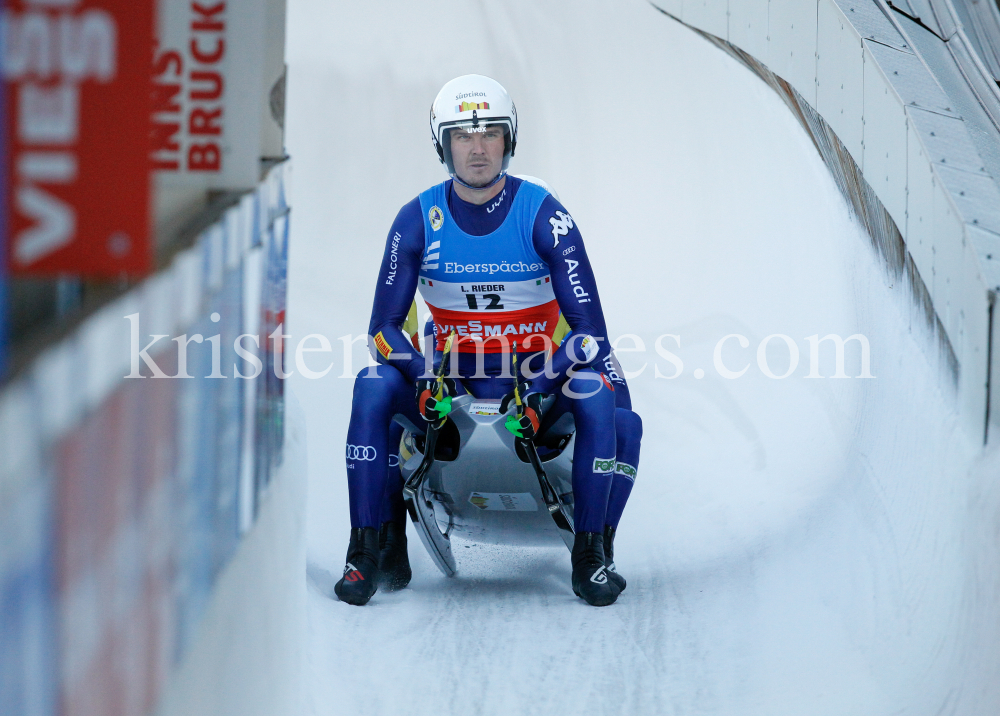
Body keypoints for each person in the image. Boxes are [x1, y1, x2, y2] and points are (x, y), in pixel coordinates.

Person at [335, 75, 642, 607]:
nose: (477, 149)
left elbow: (592, 335)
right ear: (443, 145)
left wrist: (544, 383)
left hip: (535, 384)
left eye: (490, 134)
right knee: (372, 385)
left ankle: (593, 555)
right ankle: (368, 550)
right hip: (454, 384)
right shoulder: (416, 219)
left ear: (509, 141)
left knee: (604, 400)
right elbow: (381, 332)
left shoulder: (545, 213)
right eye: (462, 136)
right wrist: (422, 373)